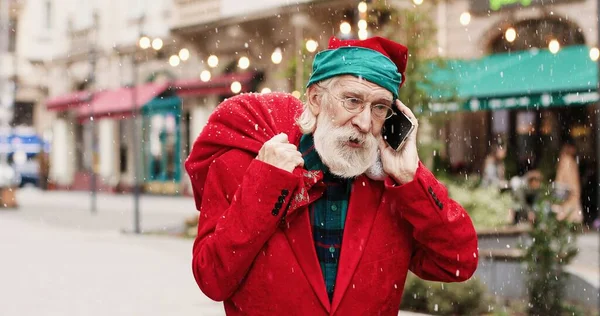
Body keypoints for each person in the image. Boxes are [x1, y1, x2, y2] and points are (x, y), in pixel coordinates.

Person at [185, 36, 479, 315]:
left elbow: (458, 262)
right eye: (352, 100)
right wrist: (265, 183)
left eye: (380, 108)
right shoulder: (246, 163)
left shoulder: (394, 188)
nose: (364, 122)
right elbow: (212, 278)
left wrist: (411, 178)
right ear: (315, 99)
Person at [554, 141, 583, 223]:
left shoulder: (565, 159)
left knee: (567, 207)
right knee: (568, 207)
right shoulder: (567, 160)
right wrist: (572, 187)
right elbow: (567, 175)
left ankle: (568, 223)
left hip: (569, 187)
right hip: (569, 187)